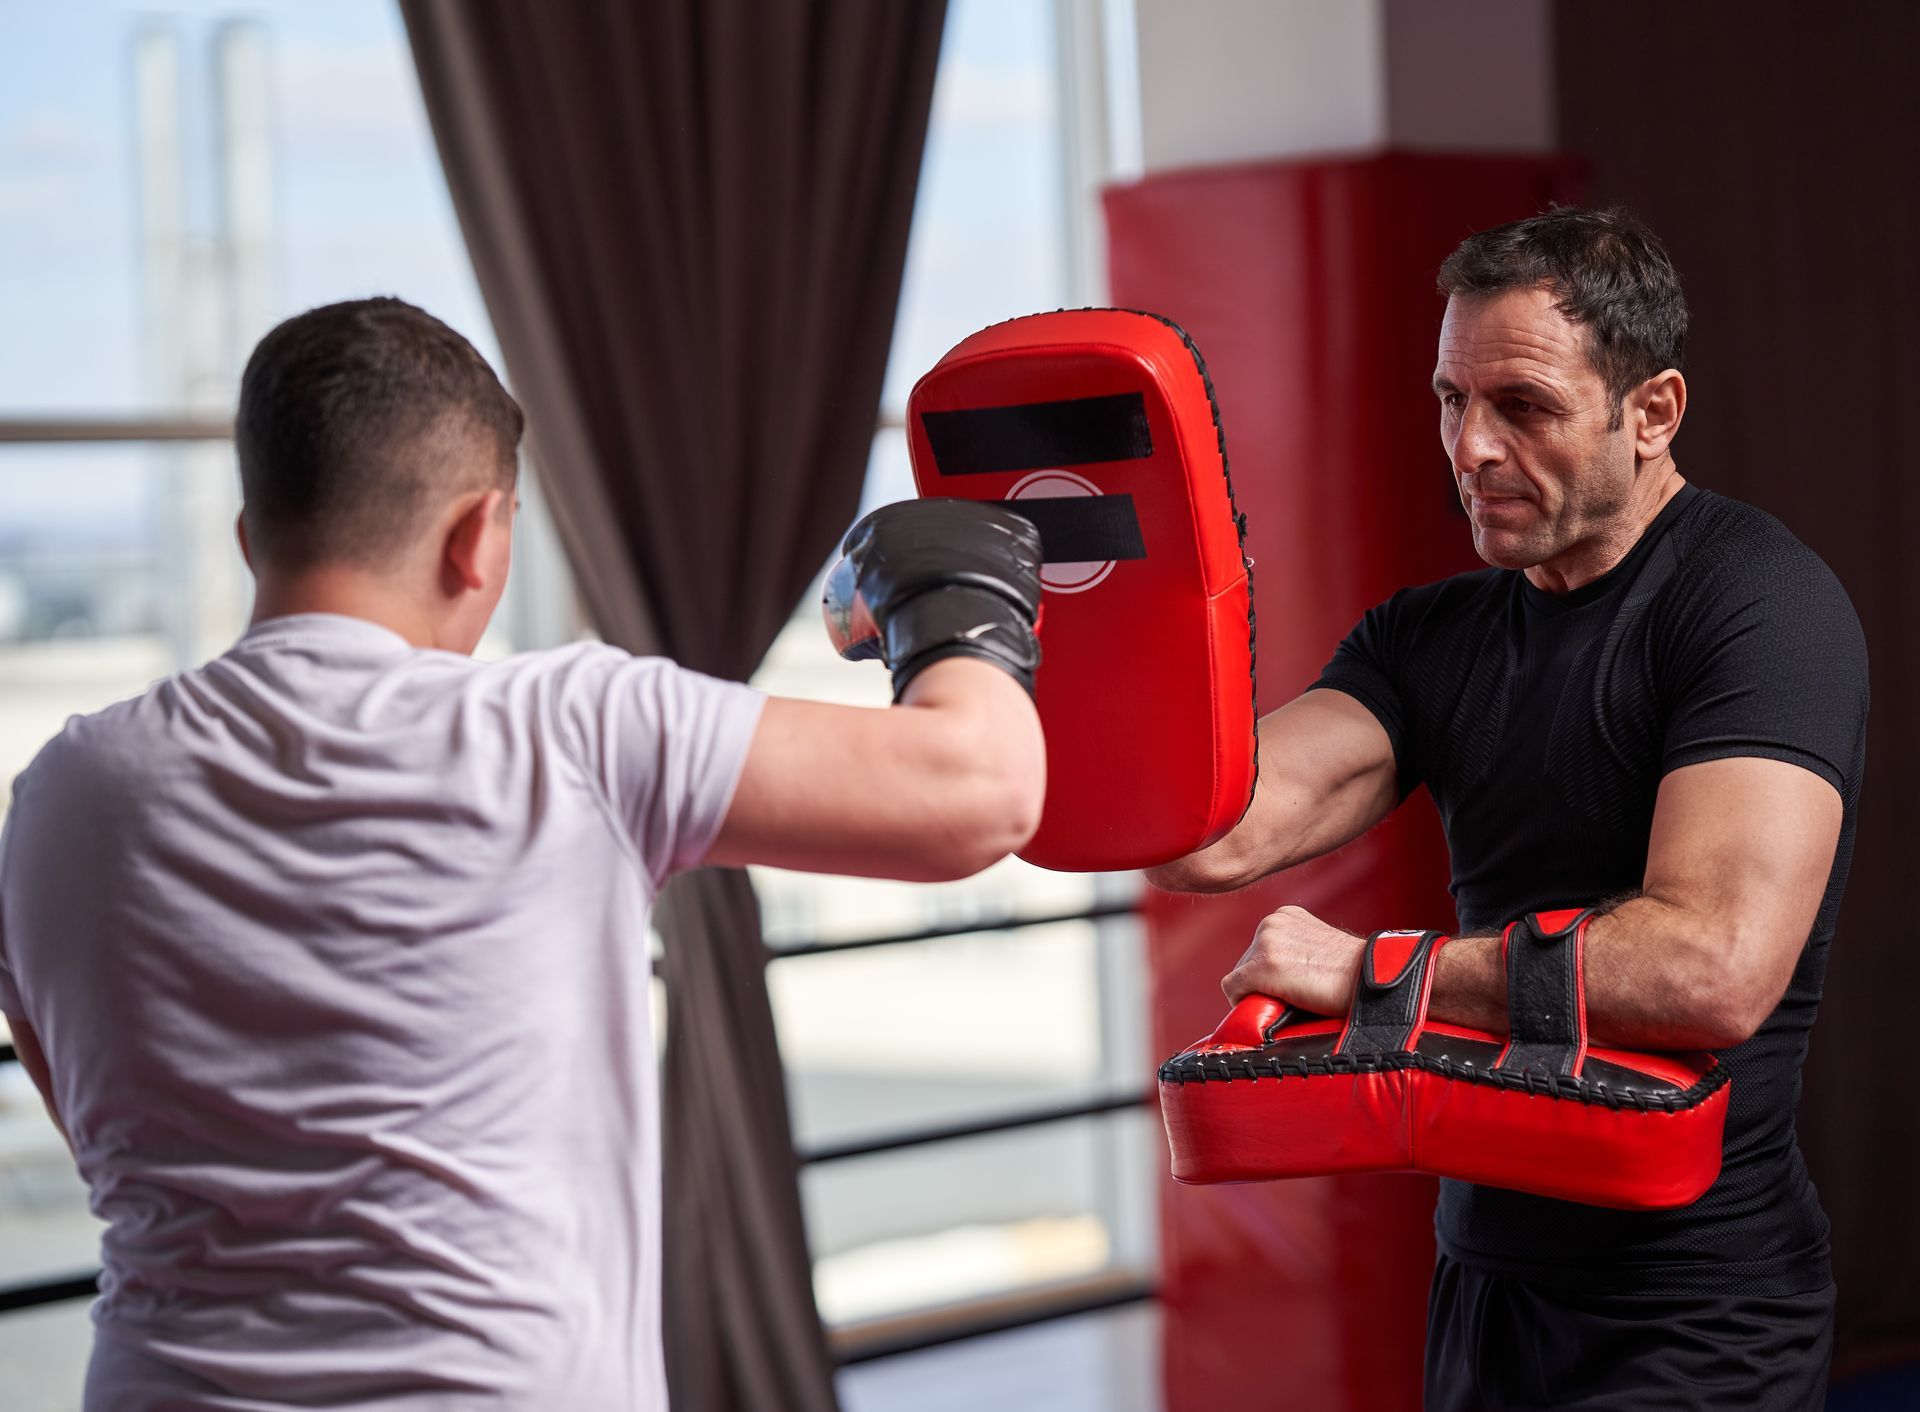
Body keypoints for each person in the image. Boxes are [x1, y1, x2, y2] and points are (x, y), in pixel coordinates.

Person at [0, 297, 1046, 1408]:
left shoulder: (63, 791)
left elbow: (92, 1110)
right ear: (480, 538)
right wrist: (954, 576)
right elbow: (979, 790)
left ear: (253, 533)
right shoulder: (567, 729)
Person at [1148, 207, 1868, 1410]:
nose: (1470, 446)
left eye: (1522, 406)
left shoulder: (1757, 606)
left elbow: (1713, 967)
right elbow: (1209, 828)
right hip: (1487, 1286)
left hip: (1695, 1311)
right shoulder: (1429, 637)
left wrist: (1381, 975)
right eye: (1450, 399)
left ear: (1653, 412)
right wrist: (1040, 646)